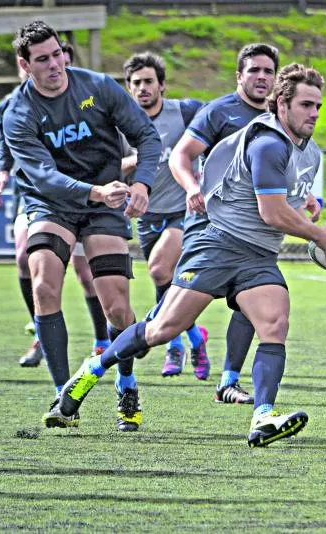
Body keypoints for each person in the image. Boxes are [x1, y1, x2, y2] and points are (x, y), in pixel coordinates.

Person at [54, 63, 326, 447]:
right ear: (281, 105)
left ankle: (262, 417)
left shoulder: (308, 152)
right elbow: (271, 212)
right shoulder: (268, 142)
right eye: (307, 105)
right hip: (218, 245)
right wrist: (319, 235)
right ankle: (92, 371)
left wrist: (304, 203)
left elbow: (283, 199)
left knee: (274, 325)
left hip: (258, 256)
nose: (314, 114)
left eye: (318, 106)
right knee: (162, 330)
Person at [1, 21, 161, 432]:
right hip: (53, 202)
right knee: (43, 284)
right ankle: (63, 395)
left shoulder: (98, 87)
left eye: (57, 54)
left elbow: (147, 135)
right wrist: (95, 191)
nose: (55, 64)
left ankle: (126, 385)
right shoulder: (17, 112)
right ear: (25, 64)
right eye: (43, 59)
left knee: (118, 307)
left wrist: (140, 184)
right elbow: (43, 176)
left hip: (103, 204)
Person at [168, 43, 301, 404]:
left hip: (256, 234)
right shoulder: (220, 112)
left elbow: (287, 174)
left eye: (268, 71)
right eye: (254, 70)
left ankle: (228, 380)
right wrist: (192, 186)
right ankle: (116, 359)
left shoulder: (283, 119)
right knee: (168, 320)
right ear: (239, 76)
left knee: (252, 301)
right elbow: (181, 155)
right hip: (211, 226)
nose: (262, 77)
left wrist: (305, 202)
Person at [0, 43, 112, 368]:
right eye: (42, 61)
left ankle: (102, 340)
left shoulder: (86, 97)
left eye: (59, 62)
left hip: (83, 200)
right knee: (24, 259)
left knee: (86, 273)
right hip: (39, 199)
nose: (55, 70)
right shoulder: (15, 105)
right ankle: (43, 334)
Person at [120, 52, 210, 379]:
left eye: (148, 82)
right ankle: (194, 338)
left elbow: (222, 130)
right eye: (136, 83)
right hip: (146, 217)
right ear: (128, 88)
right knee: (168, 281)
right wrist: (129, 163)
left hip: (184, 213)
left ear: (162, 86)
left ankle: (171, 344)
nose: (143, 88)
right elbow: (107, 166)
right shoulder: (121, 123)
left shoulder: (186, 112)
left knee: (159, 270)